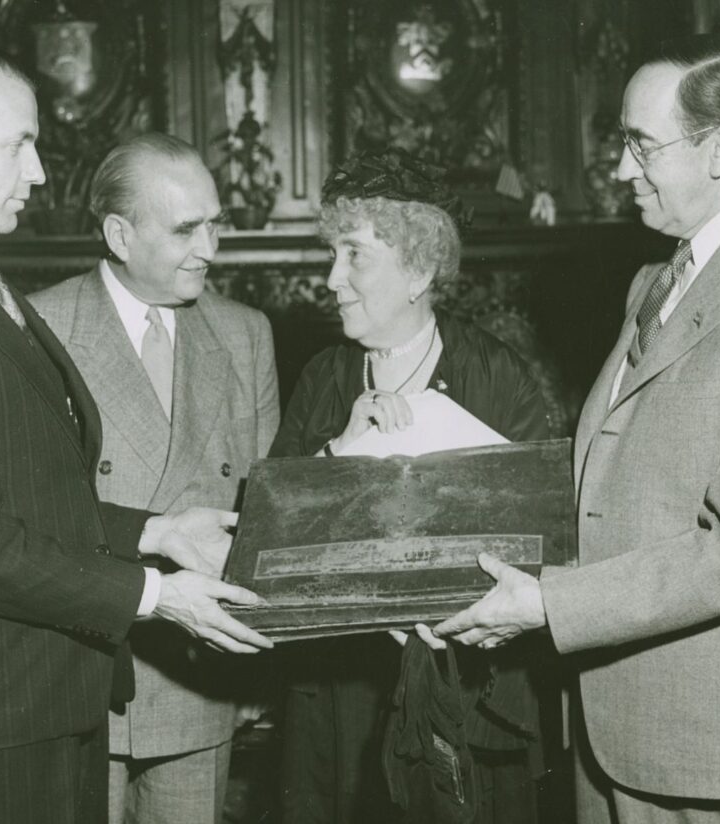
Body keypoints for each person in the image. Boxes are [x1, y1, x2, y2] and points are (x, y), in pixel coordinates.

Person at [0, 47, 272, 824]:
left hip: (50, 701)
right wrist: (158, 595)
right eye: (18, 145)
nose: (38, 172)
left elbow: (34, 499)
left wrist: (158, 530)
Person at [433, 34, 720, 823]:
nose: (622, 169)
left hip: (717, 739)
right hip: (612, 717)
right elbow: (614, 479)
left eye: (642, 145)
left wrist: (547, 604)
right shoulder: (656, 276)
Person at [270, 147, 552, 824]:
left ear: (420, 268)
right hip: (342, 695)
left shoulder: (499, 376)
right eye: (332, 254)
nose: (332, 278)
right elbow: (268, 545)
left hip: (468, 689)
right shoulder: (322, 378)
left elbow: (542, 542)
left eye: (355, 256)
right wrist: (337, 447)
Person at [29, 133, 280, 824]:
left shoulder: (245, 334)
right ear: (119, 234)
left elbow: (260, 515)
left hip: (200, 679)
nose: (211, 248)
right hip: (78, 669)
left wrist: (259, 667)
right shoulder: (39, 327)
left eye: (215, 223)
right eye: (184, 229)